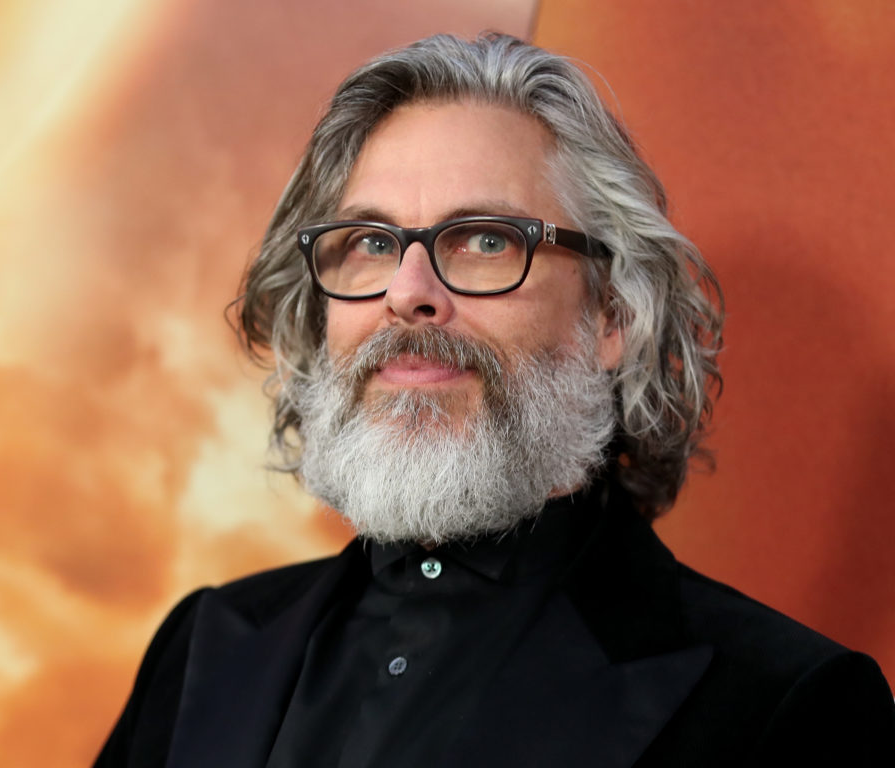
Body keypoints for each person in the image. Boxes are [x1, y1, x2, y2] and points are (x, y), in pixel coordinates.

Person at [95, 33, 895, 767]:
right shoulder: (204, 646)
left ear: (613, 313)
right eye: (371, 242)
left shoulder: (785, 707)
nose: (408, 294)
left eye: (485, 241)